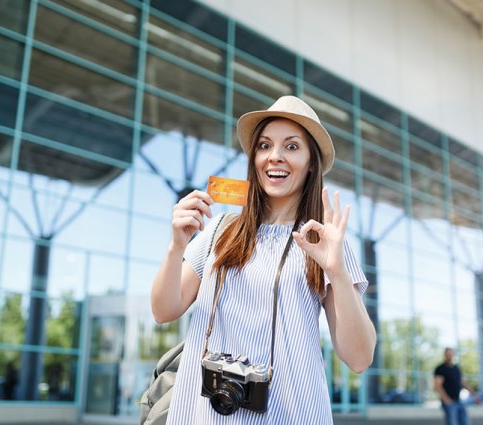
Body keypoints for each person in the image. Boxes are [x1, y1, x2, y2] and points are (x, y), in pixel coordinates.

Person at [150, 95, 376, 424]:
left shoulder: (324, 240)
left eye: (292, 147)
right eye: (265, 145)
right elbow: (163, 310)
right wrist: (176, 246)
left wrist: (337, 272)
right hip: (206, 413)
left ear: (312, 162)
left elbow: (360, 358)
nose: (275, 157)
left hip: (290, 414)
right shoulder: (220, 230)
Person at [434, 347, 482, 425]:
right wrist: (446, 400)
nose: (450, 355)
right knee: (453, 423)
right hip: (449, 402)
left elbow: (463, 383)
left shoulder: (456, 368)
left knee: (465, 422)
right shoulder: (440, 369)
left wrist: (475, 395)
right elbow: (438, 386)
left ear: (453, 355)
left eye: (451, 353)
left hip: (459, 400)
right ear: (445, 355)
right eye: (448, 353)